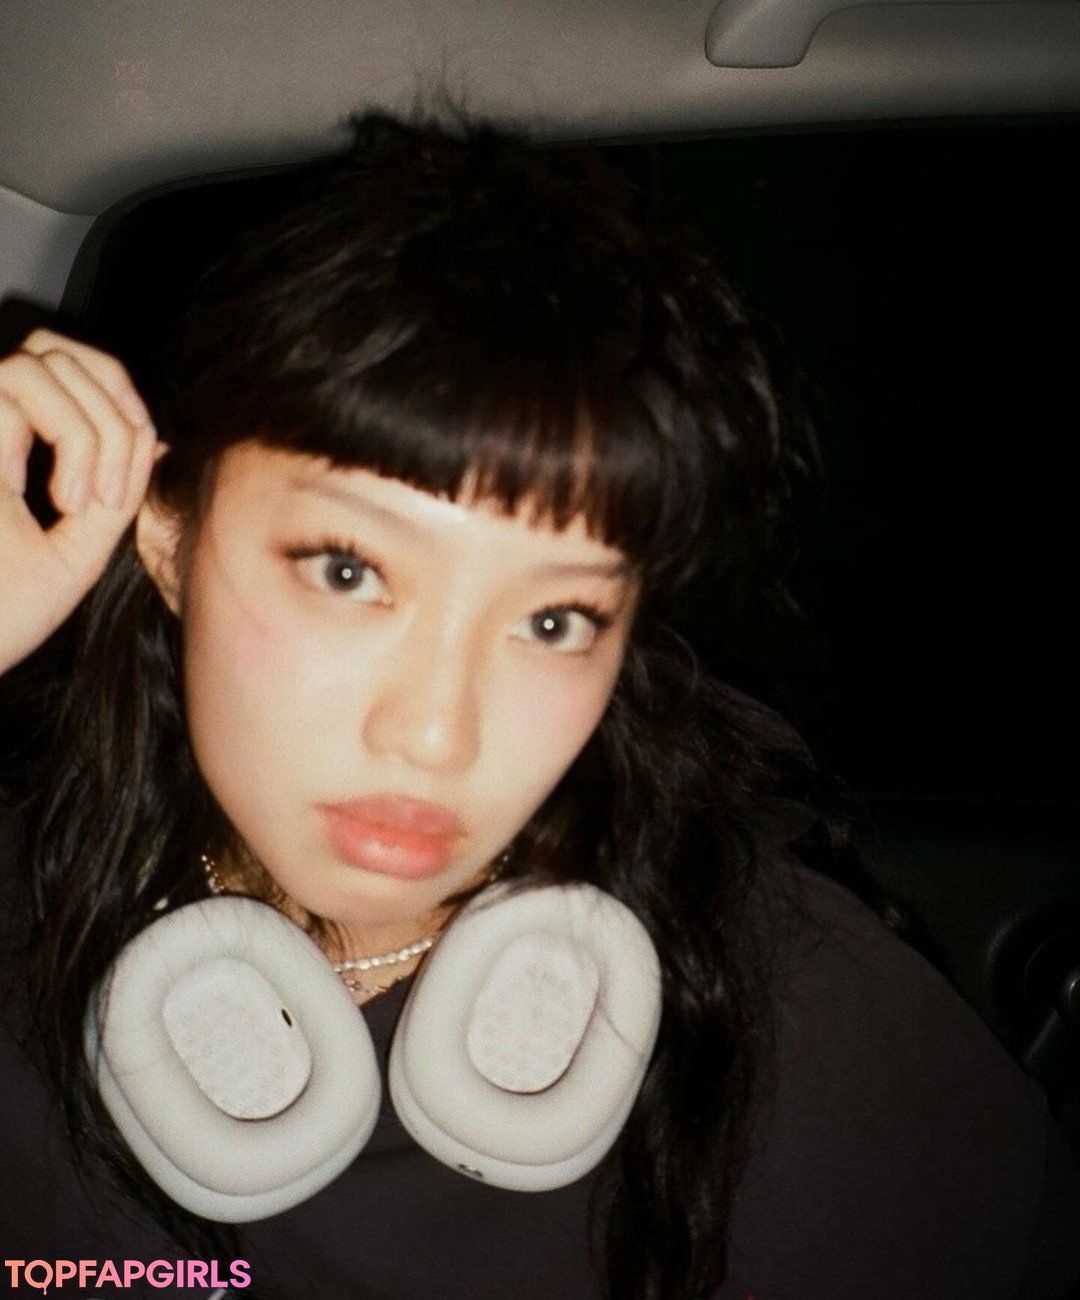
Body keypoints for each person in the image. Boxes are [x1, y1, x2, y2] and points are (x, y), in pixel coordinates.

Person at [1, 114, 1078, 1300]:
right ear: (167, 534)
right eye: (350, 571)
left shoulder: (810, 1031)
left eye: (554, 620)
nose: (435, 734)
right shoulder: (18, 927)